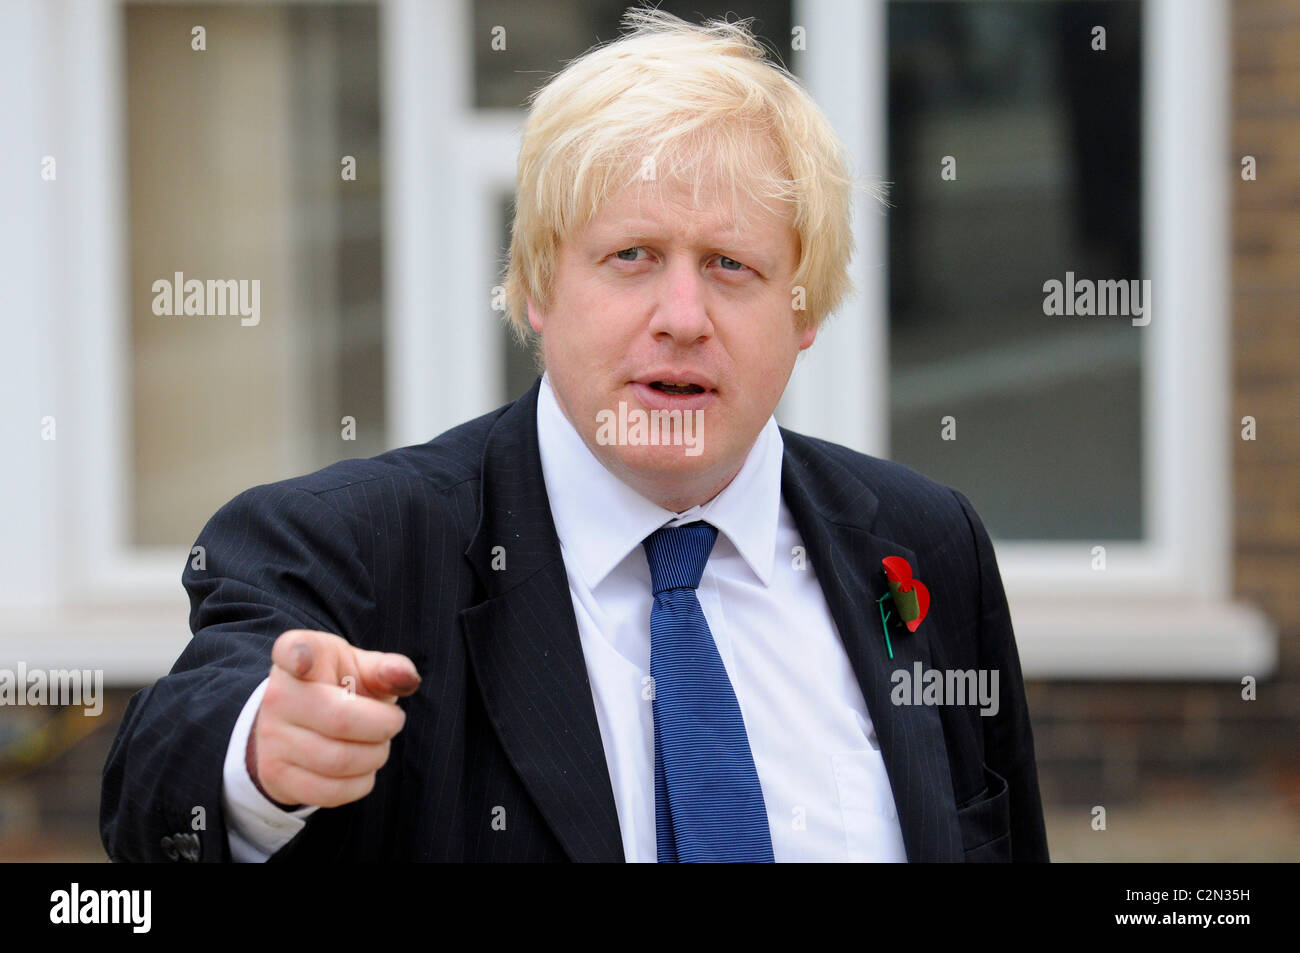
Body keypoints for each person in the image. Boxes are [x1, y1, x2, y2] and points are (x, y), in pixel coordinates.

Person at [101, 8, 1048, 863]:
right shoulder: (355, 548)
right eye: (631, 256)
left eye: (731, 265)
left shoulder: (924, 544)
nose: (683, 314)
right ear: (540, 286)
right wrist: (262, 751)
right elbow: (158, 782)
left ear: (805, 309)